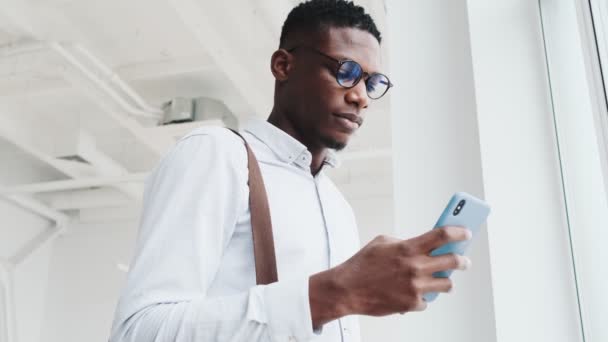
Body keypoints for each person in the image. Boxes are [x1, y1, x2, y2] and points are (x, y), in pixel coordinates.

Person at [109, 0, 472, 341]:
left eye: (371, 83)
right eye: (346, 71)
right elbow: (139, 330)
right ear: (284, 66)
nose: (360, 96)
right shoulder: (218, 154)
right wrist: (333, 293)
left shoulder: (337, 205)